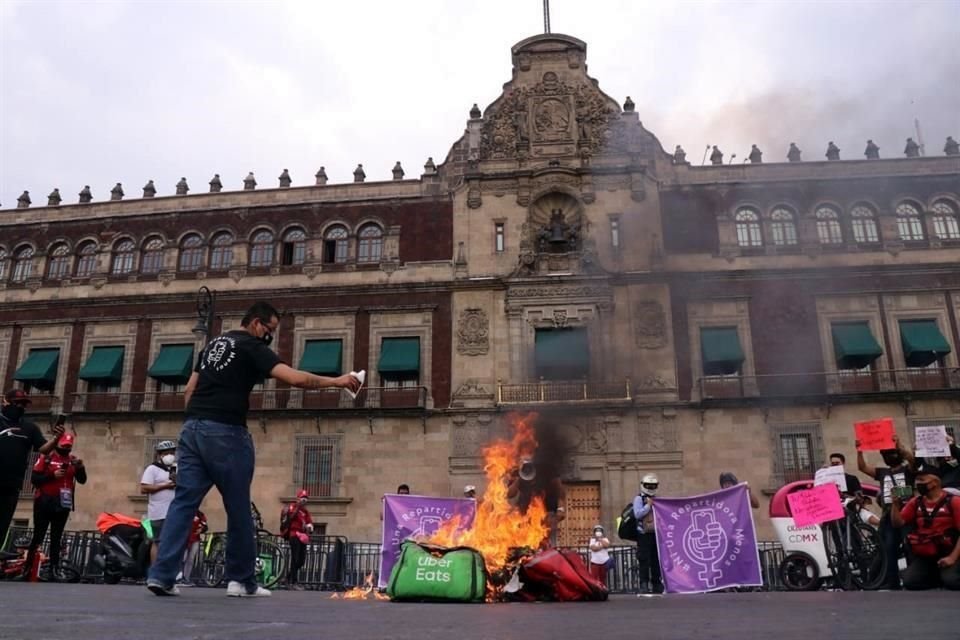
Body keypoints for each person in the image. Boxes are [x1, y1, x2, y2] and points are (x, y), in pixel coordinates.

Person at [146, 301, 360, 597]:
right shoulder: (251, 346)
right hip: (227, 433)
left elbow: (188, 390)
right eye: (270, 330)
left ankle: (162, 576)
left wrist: (195, 422)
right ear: (257, 324)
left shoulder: (214, 345)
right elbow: (295, 378)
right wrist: (337, 381)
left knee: (183, 505)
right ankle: (241, 580)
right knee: (238, 509)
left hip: (192, 430)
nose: (270, 335)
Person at [0, 390, 64, 550]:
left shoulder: (29, 428)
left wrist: (56, 438)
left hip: (11, 486)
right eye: (17, 402)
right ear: (5, 402)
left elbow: (44, 449)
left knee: (2, 527)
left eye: (23, 404)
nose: (20, 406)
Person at [22, 432, 86, 581]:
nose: (66, 449)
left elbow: (82, 480)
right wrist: (52, 475)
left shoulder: (72, 461)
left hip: (63, 502)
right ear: (58, 445)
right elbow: (35, 479)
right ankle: (28, 567)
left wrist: (81, 468)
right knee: (39, 535)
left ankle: (54, 569)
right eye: (64, 446)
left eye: (69, 446)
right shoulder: (47, 458)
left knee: (56, 537)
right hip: (44, 501)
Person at [857, 434, 916, 589]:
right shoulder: (882, 472)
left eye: (891, 453)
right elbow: (862, 468)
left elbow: (912, 460)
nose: (889, 456)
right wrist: (859, 451)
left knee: (910, 546)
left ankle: (914, 580)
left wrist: (899, 445)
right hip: (888, 516)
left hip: (907, 513)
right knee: (889, 549)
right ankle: (893, 583)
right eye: (885, 454)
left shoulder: (908, 469)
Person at [889, 467, 960, 590]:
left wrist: (952, 558)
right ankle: (936, 578)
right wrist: (895, 505)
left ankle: (946, 575)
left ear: (935, 482)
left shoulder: (954, 502)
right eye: (917, 480)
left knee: (952, 581)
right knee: (910, 582)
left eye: (922, 480)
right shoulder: (916, 502)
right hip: (926, 553)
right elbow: (898, 523)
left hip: (949, 551)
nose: (918, 484)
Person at [140, 440, 177, 565]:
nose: (170, 455)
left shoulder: (177, 469)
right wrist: (165, 486)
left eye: (172, 452)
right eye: (167, 453)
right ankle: (155, 570)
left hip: (174, 511)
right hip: (158, 512)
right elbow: (144, 488)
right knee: (158, 542)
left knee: (173, 542)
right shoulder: (152, 469)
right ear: (160, 455)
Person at [633, 473, 662, 594]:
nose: (650, 488)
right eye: (648, 485)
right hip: (643, 534)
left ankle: (656, 583)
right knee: (644, 560)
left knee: (656, 560)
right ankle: (643, 584)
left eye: (653, 486)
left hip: (655, 534)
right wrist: (648, 506)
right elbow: (637, 514)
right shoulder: (639, 499)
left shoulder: (658, 499)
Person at [281, 489, 313, 590]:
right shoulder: (292, 507)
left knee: (301, 561)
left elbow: (310, 522)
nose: (304, 500)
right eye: (303, 498)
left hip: (303, 536)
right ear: (298, 498)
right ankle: (293, 582)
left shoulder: (305, 512)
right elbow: (291, 517)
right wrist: (298, 506)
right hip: (294, 535)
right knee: (295, 558)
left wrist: (310, 526)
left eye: (306, 498)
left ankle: (287, 578)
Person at [179, 509, 207, 586]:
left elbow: (205, 525)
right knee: (183, 558)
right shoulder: (183, 511)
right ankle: (179, 578)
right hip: (184, 539)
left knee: (191, 559)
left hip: (195, 539)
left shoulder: (200, 514)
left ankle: (186, 578)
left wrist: (201, 529)